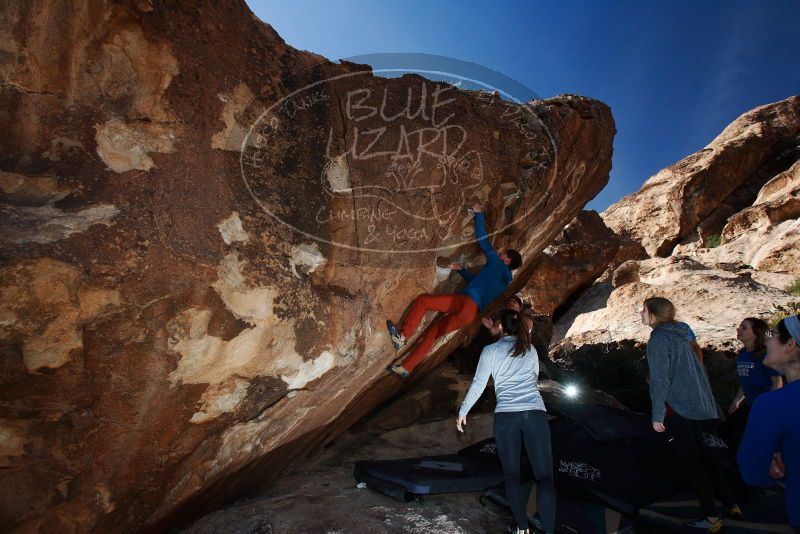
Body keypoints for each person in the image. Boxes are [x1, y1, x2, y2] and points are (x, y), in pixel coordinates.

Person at [386, 203, 522, 377]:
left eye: (504, 254)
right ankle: (406, 368)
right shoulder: (505, 282)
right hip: (470, 315)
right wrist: (461, 270)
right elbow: (478, 284)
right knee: (433, 334)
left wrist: (478, 215)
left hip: (465, 303)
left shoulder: (497, 263)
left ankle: (402, 336)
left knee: (424, 301)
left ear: (507, 261)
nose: (500, 253)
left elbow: (483, 242)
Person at [642, 296, 739, 532]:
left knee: (693, 465)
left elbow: (660, 380)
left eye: (643, 311)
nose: (641, 315)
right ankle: (731, 503)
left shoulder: (658, 339)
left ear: (654, 315)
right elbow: (698, 365)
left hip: (679, 409)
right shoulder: (684, 332)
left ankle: (710, 517)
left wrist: (657, 414)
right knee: (708, 457)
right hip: (700, 406)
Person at [456, 310, 555, 534]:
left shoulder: (491, 350)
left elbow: (479, 383)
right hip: (535, 414)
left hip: (507, 416)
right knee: (545, 477)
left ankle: (522, 529)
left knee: (512, 475)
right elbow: (534, 377)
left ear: (500, 326)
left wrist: (464, 411)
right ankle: (549, 531)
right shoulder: (530, 349)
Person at [738, 314, 800, 532]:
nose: (766, 341)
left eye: (773, 335)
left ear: (790, 345)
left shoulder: (772, 404)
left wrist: (776, 462)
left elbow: (752, 472)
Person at [725, 317, 782, 448]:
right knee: (727, 432)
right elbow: (746, 379)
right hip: (750, 404)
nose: (738, 329)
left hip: (763, 407)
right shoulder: (743, 353)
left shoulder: (766, 355)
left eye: (744, 327)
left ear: (757, 333)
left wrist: (769, 409)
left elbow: (777, 383)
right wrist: (737, 400)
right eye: (739, 326)